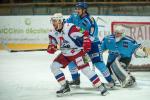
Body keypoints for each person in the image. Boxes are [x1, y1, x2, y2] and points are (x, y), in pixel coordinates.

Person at [47, 13, 108, 96]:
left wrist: (86, 41)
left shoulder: (70, 27)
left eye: (55, 21)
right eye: (52, 21)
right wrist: (51, 47)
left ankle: (101, 87)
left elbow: (85, 33)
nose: (53, 23)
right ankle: (64, 86)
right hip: (65, 54)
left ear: (60, 21)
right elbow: (52, 44)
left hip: (78, 53)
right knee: (54, 66)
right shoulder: (52, 33)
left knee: (85, 70)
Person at [65, 2, 114, 87]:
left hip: (93, 45)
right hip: (81, 45)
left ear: (84, 10)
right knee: (72, 61)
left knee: (98, 63)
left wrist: (86, 43)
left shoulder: (90, 20)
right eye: (76, 8)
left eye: (79, 9)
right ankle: (76, 80)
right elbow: (65, 24)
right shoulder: (74, 16)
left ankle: (111, 81)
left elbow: (93, 33)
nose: (77, 10)